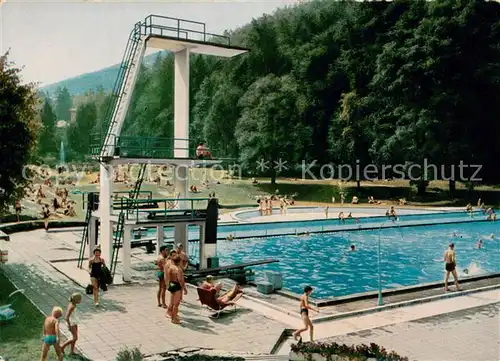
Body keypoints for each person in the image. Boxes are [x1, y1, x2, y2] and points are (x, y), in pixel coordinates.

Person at [166, 255, 187, 324]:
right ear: (179, 261)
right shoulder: (178, 269)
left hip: (171, 284)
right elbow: (180, 280)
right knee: (176, 304)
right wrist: (183, 288)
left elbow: (168, 277)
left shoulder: (171, 268)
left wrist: (169, 284)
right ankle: (174, 319)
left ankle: (172, 316)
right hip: (177, 285)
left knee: (172, 302)